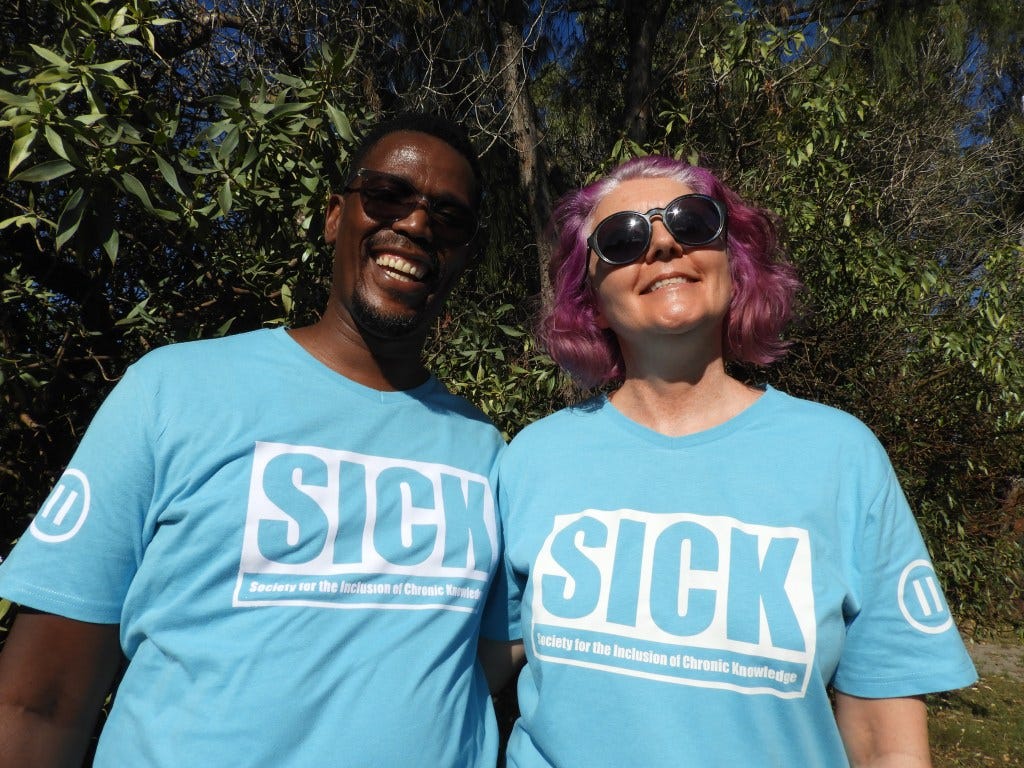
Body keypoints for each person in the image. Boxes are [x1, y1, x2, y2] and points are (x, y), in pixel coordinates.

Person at [0, 112, 507, 767]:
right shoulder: (172, 391)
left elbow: (504, 668)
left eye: (449, 217)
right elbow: (37, 701)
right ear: (334, 216)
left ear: (464, 252)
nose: (415, 225)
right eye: (387, 195)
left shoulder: (489, 453)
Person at [488, 155, 977, 767]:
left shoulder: (841, 457)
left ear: (733, 259)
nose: (663, 244)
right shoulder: (533, 458)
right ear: (587, 297)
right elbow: (461, 668)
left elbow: (884, 738)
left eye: (691, 222)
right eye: (621, 239)